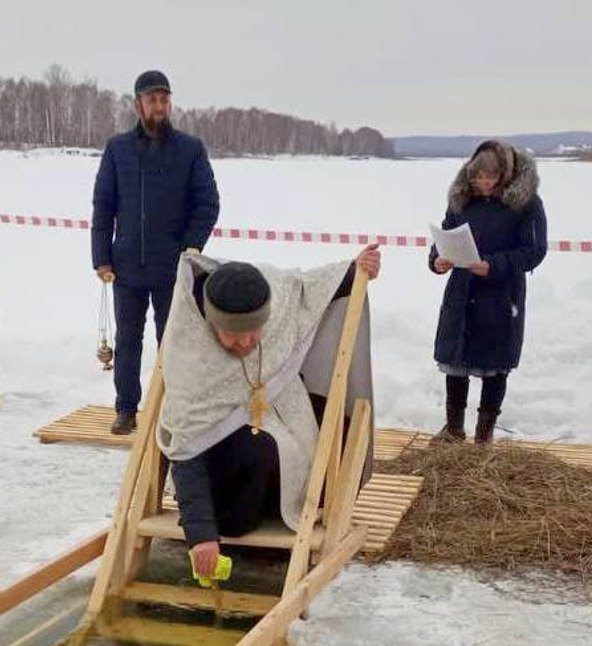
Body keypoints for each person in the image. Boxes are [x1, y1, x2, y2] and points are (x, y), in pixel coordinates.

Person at [158, 245, 381, 578]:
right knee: (259, 451)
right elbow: (187, 449)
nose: (247, 343)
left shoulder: (270, 294)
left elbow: (304, 289)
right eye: (234, 335)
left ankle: (284, 507)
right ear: (214, 323)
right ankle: (238, 523)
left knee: (300, 442)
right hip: (220, 458)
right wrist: (202, 536)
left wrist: (354, 270)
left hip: (274, 406)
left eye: (255, 332)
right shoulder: (192, 356)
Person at [91, 70, 220, 435]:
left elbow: (207, 203)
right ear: (138, 104)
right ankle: (126, 409)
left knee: (173, 343)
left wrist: (190, 249)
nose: (159, 106)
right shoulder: (118, 149)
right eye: (152, 99)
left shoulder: (190, 149)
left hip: (172, 269)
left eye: (164, 99)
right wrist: (101, 256)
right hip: (127, 266)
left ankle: (172, 410)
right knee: (127, 342)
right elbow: (103, 205)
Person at [429, 140, 548, 443]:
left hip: (500, 295)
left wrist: (493, 265)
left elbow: (534, 250)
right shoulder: (461, 199)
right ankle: (453, 428)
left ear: (504, 175)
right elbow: (445, 234)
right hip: (462, 290)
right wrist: (437, 260)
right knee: (455, 362)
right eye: (477, 177)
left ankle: (484, 435)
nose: (482, 183)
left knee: (495, 366)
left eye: (489, 178)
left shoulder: (527, 204)